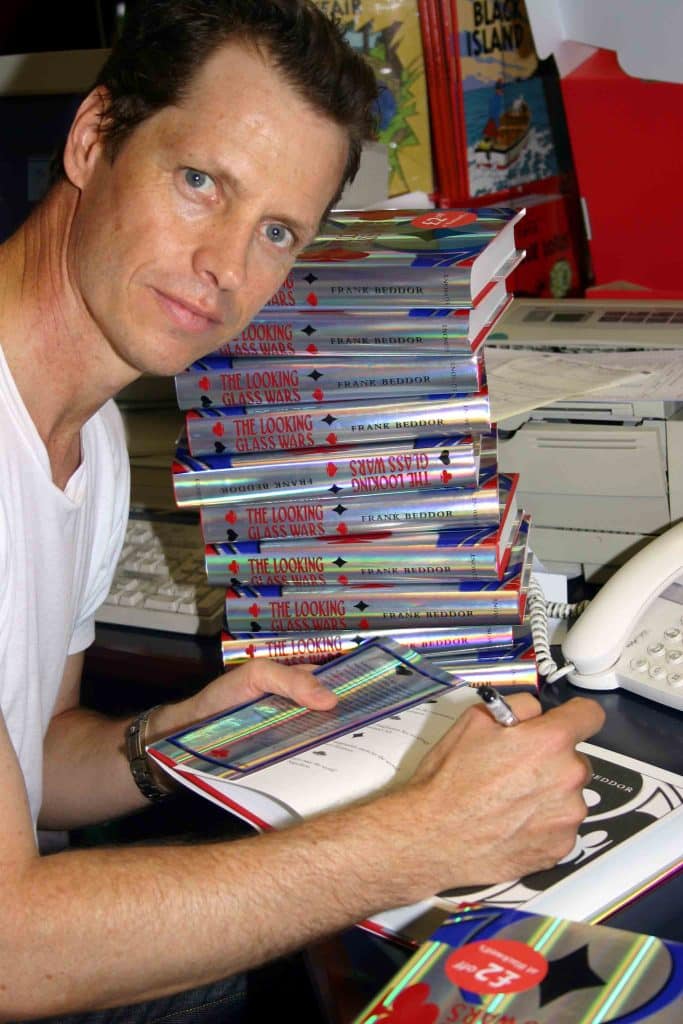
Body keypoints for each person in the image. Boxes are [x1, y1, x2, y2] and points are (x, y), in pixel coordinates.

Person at [0, 0, 605, 1020]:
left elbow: (38, 760)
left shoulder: (87, 436)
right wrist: (418, 839)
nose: (228, 268)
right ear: (92, 137)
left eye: (275, 230)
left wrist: (169, 737)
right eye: (200, 184)